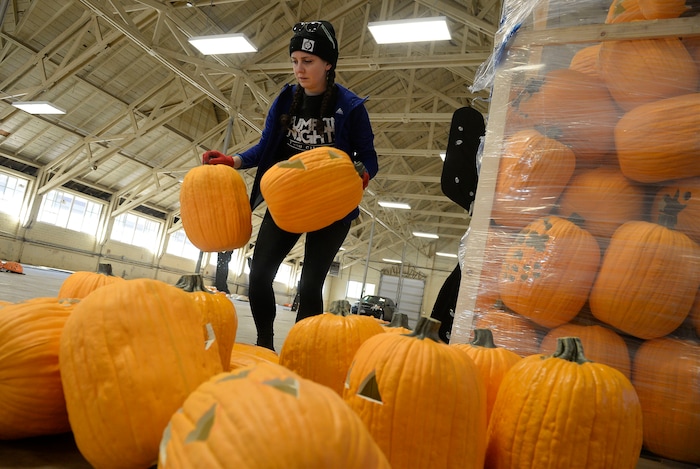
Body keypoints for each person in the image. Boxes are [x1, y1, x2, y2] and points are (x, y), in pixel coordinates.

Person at [202, 20, 378, 350]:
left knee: (310, 284)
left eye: (308, 62)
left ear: (328, 63)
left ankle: (302, 350)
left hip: (330, 207)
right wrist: (234, 160)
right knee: (259, 276)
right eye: (295, 61)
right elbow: (265, 146)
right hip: (289, 201)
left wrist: (362, 174)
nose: (300, 68)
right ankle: (265, 343)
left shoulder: (350, 107)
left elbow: (369, 157)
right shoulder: (286, 101)